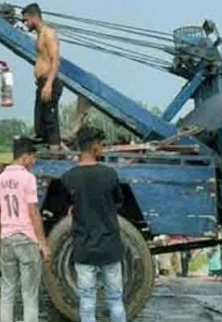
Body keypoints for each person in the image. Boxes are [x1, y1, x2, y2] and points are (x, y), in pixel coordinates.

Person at [61, 126, 126, 322]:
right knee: (115, 300)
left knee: (87, 302)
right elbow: (118, 203)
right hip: (110, 247)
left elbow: (68, 208)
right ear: (95, 146)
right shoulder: (110, 174)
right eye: (101, 144)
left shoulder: (69, 178)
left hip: (84, 247)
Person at [0, 136, 50, 322]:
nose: (33, 162)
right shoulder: (28, 178)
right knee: (29, 294)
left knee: (7, 292)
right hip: (26, 239)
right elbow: (33, 212)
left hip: (7, 239)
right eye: (32, 158)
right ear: (24, 157)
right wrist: (42, 243)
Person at [21, 3, 63, 150]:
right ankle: (46, 149)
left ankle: (54, 153)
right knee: (40, 122)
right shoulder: (39, 35)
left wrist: (49, 84)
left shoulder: (48, 33)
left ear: (34, 17)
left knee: (50, 120)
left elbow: (55, 60)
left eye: (26, 20)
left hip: (49, 82)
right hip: (42, 82)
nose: (25, 24)